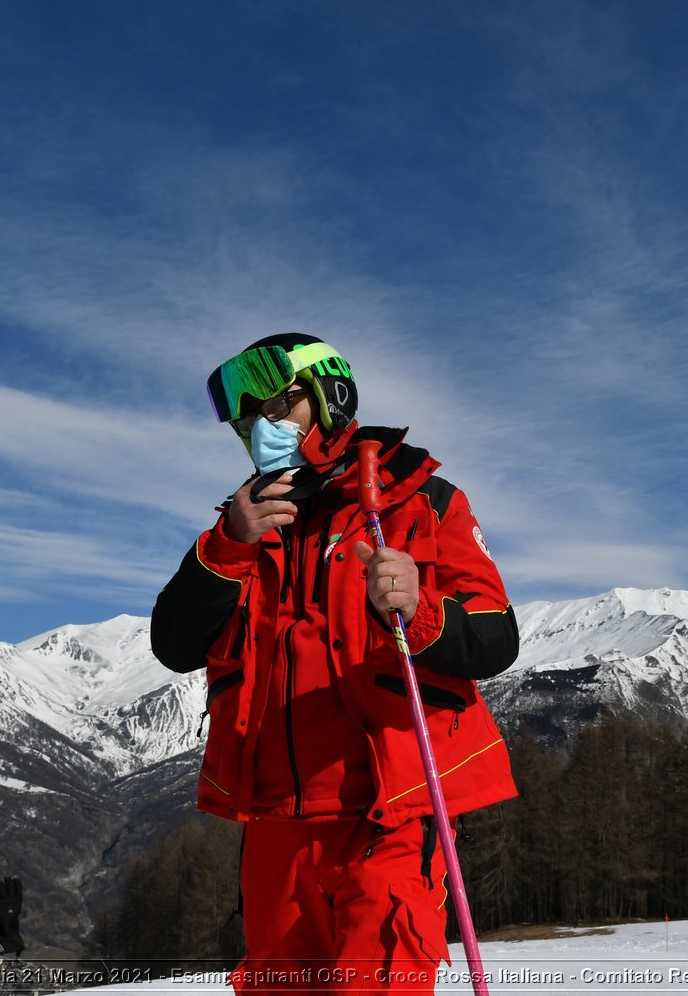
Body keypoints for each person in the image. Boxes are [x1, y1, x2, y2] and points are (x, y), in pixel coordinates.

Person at [151, 333, 520, 996]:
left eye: (274, 408)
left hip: (389, 818)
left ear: (329, 397)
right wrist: (229, 546)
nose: (258, 429)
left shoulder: (423, 501)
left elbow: (496, 637)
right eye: (245, 419)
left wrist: (422, 607)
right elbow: (173, 643)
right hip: (276, 828)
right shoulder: (246, 522)